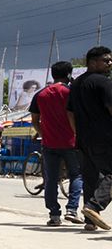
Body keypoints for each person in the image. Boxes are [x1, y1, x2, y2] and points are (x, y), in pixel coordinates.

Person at [29, 61, 83, 225]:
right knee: (76, 175)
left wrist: (43, 134)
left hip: (49, 143)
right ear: (69, 74)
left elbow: (35, 120)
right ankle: (72, 209)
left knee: (51, 179)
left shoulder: (40, 94)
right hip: (71, 142)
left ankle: (54, 214)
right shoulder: (72, 92)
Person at [67, 46, 112, 231]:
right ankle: (94, 206)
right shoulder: (103, 82)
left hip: (84, 139)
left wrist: (77, 132)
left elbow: (69, 112)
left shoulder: (76, 83)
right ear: (93, 62)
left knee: (91, 177)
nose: (110, 63)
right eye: (106, 60)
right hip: (105, 136)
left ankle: (90, 221)